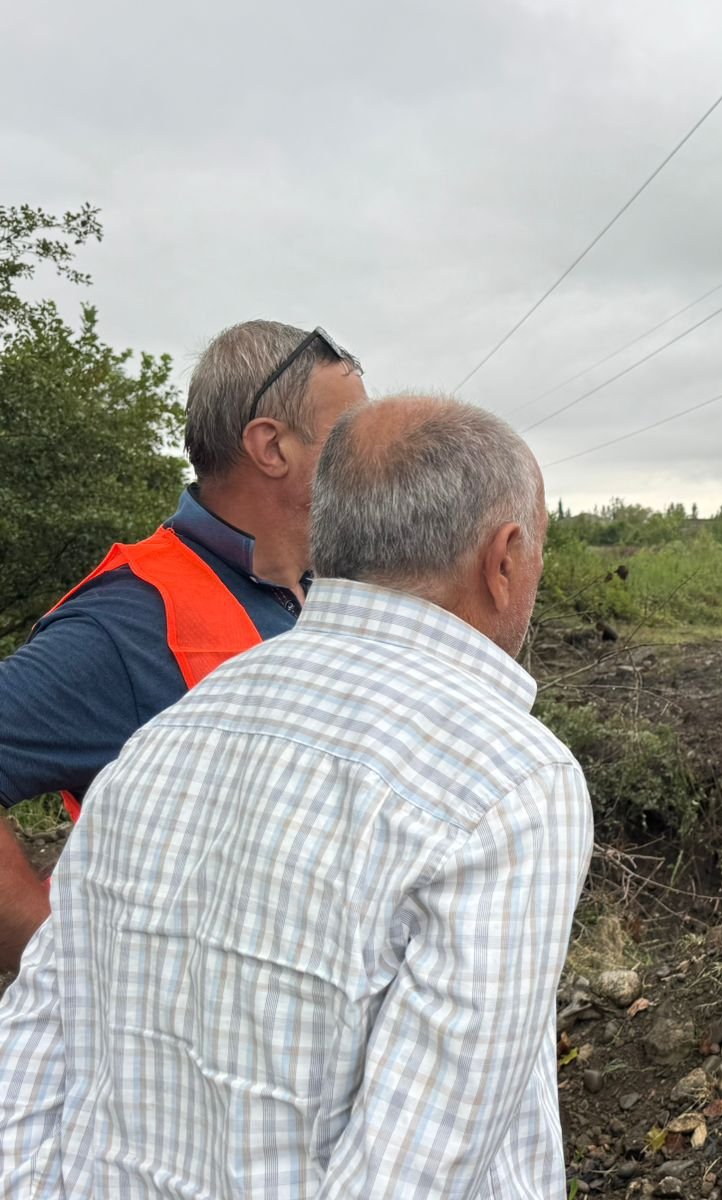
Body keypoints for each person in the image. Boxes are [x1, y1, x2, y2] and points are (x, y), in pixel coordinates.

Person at [0, 395, 593, 1198]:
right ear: (505, 558)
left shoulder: (168, 733)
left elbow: (30, 1060)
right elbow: (415, 1174)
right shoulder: (512, 781)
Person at [0, 321, 366, 970]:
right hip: (188, 1026)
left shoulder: (337, 589)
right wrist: (52, 955)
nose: (372, 456)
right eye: (350, 434)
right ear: (271, 446)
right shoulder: (127, 620)